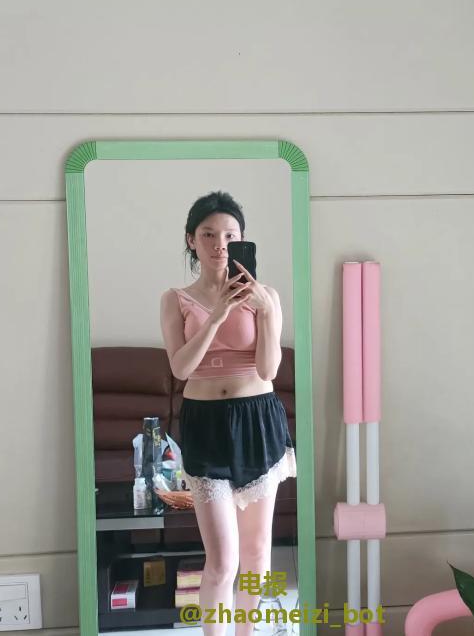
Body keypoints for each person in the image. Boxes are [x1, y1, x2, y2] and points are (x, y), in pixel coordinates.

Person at [159, 190, 296, 636]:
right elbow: (180, 368)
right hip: (205, 424)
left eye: (230, 235)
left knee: (257, 556)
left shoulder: (266, 296)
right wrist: (217, 315)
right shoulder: (176, 299)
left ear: (242, 240)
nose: (220, 244)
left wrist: (266, 314)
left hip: (258, 420)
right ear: (191, 240)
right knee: (221, 561)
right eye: (208, 234)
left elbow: (268, 369)